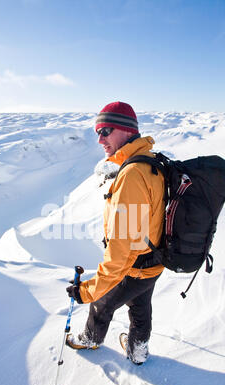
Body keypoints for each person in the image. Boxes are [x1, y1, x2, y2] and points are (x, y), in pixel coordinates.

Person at [66, 101, 165, 365]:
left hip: (134, 265)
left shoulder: (133, 174)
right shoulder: (150, 161)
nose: (99, 139)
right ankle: (138, 350)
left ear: (125, 130)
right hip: (154, 261)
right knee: (140, 305)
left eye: (105, 130)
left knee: (102, 303)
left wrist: (85, 292)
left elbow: (119, 255)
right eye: (97, 131)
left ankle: (90, 338)